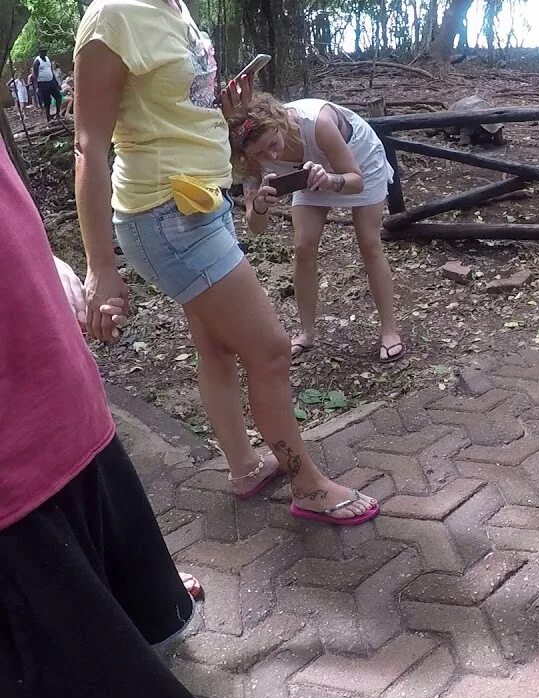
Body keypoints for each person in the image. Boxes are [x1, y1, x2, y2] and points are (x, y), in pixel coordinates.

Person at [74, 0, 378, 524]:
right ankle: (306, 483)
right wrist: (100, 263)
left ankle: (245, 467)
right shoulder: (113, 16)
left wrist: (220, 106)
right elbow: (89, 145)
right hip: (164, 213)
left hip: (202, 201)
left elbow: (169, 109)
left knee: (216, 349)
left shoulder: (176, 9)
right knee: (271, 350)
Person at [0, 132, 211, 698]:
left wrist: (47, 261)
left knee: (108, 605)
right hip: (11, 482)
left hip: (61, 396)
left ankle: (116, 600)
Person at [229, 93, 404, 363]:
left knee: (369, 243)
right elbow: (256, 227)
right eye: (260, 153)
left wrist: (331, 179)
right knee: (303, 246)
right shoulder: (251, 161)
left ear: (279, 122)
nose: (271, 155)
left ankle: (389, 331)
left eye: (273, 144)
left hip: (359, 163)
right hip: (308, 174)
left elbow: (355, 181)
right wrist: (261, 205)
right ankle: (306, 333)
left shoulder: (317, 122)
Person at [31, 47, 62, 121]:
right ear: (39, 52)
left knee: (58, 97)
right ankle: (48, 117)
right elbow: (35, 75)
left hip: (51, 81)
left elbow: (51, 70)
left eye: (45, 51)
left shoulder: (48, 59)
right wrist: (37, 86)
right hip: (43, 83)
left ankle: (57, 114)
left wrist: (56, 82)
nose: (44, 53)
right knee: (47, 101)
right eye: (43, 51)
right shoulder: (37, 61)